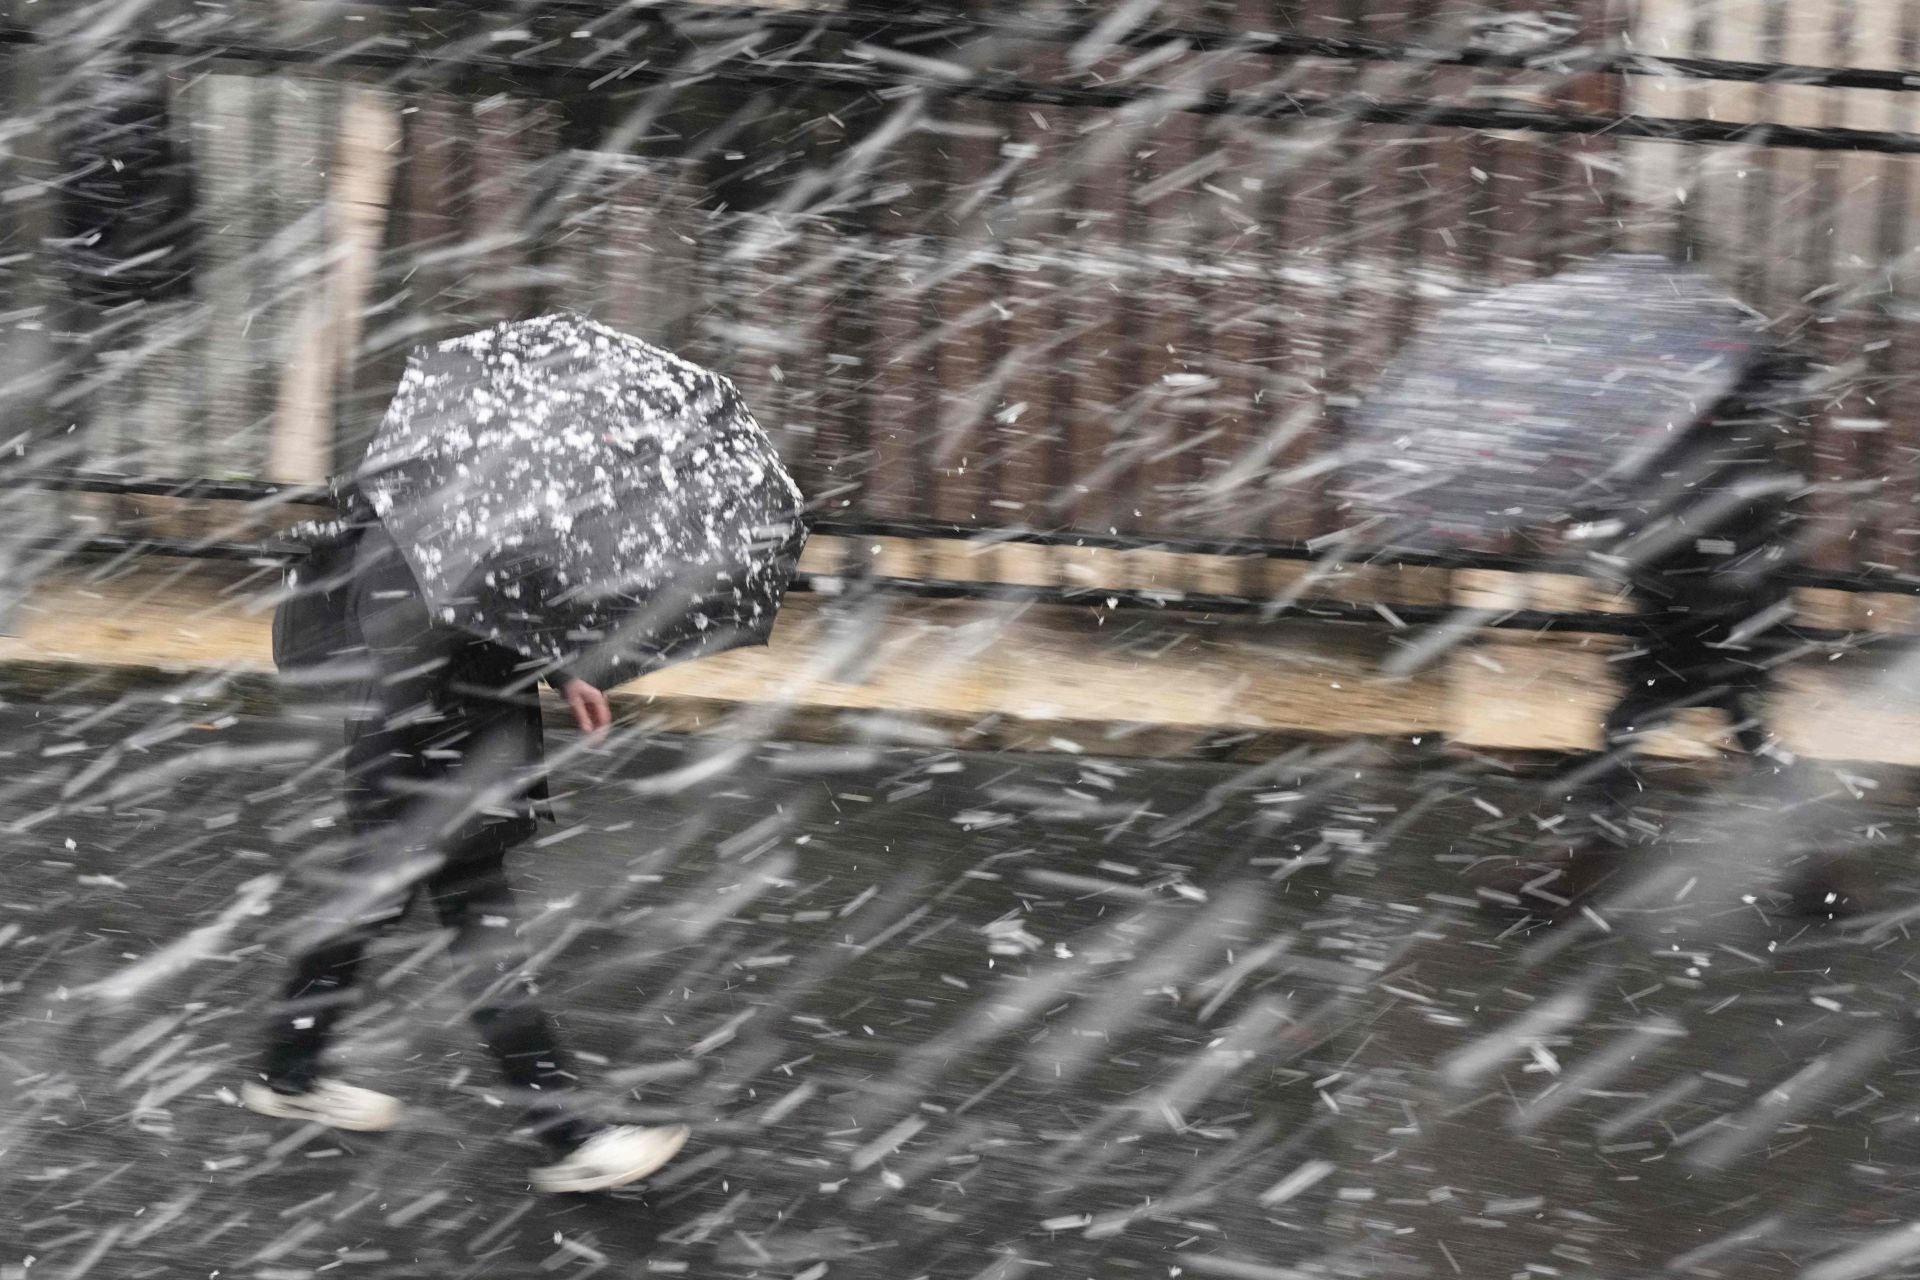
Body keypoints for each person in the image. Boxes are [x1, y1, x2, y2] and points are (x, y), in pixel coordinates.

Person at [244, 505, 688, 1193]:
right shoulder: (422, 520)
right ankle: (569, 1135)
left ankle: (288, 1069)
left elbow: (492, 616)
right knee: (486, 953)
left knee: (367, 922)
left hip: (436, 768)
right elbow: (419, 638)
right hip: (427, 774)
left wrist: (563, 672)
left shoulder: (462, 512)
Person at [1496, 352, 1859, 918]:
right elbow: (1650, 519)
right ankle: (1819, 869)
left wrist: (1650, 546)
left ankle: (1584, 868)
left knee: (1638, 734)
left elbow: (1721, 542)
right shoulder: (1717, 451)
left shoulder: (1743, 458)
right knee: (1739, 740)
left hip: (1714, 629)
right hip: (1700, 627)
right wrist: (1607, 521)